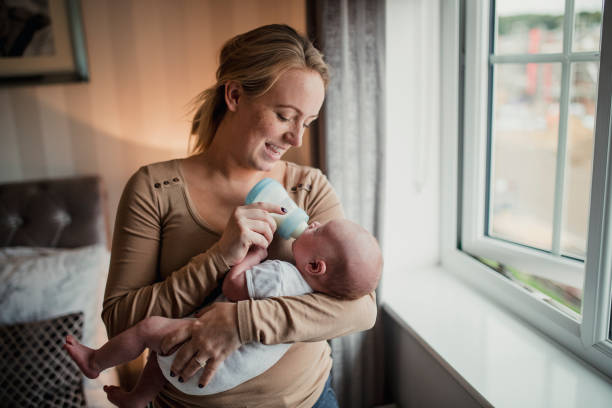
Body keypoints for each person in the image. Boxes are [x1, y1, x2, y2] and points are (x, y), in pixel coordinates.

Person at [101, 24, 378, 408]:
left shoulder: (308, 188)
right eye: (285, 116)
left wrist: (240, 324)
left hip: (309, 399)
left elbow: (361, 308)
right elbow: (119, 323)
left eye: (307, 123)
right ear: (234, 95)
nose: (297, 139)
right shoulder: (155, 189)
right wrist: (219, 257)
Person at [66, 219, 382, 407]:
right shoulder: (318, 295)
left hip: (205, 365)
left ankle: (95, 362)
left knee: (149, 330)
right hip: (224, 376)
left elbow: (233, 286)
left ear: (315, 266)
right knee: (161, 351)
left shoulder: (281, 276)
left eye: (319, 228)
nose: (312, 222)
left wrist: (254, 255)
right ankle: (138, 399)